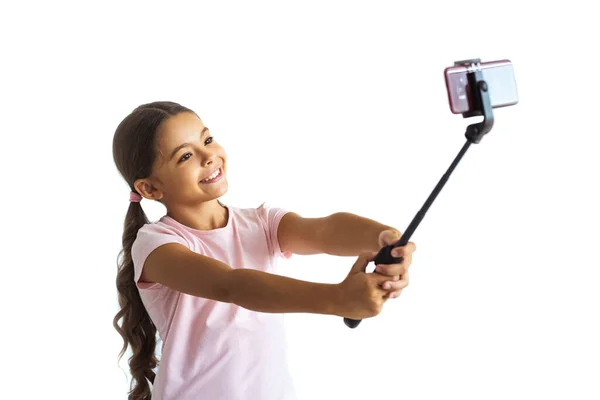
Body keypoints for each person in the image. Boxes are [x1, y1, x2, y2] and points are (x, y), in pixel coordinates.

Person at [112, 101, 416, 400]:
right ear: (150, 189)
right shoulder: (156, 245)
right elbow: (233, 285)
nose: (209, 156)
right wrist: (339, 299)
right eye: (186, 156)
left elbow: (324, 229)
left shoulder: (262, 222)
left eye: (207, 139)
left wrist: (384, 239)